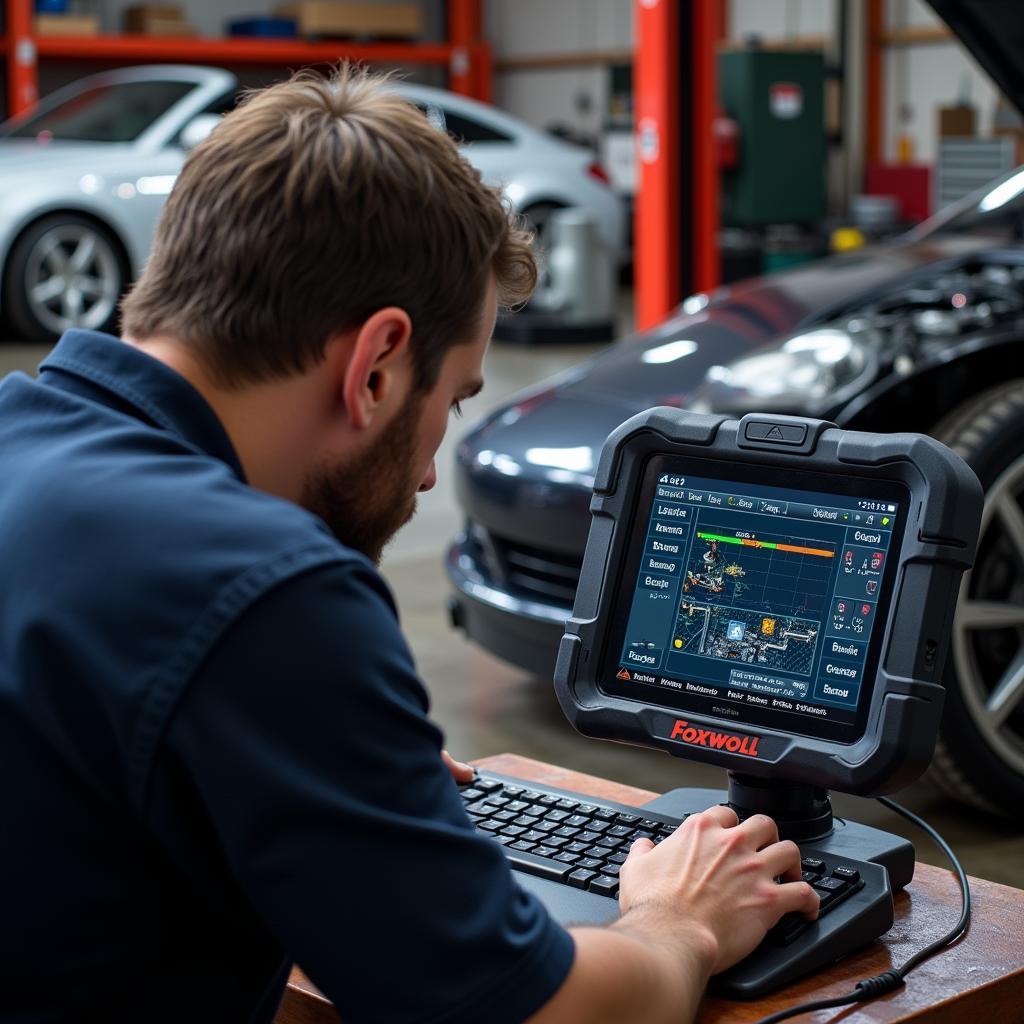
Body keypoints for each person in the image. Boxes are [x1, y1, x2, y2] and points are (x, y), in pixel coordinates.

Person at [0, 66, 818, 1023]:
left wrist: (321, 771)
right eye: (455, 399)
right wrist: (676, 923)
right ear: (379, 366)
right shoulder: (267, 590)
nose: (431, 473)